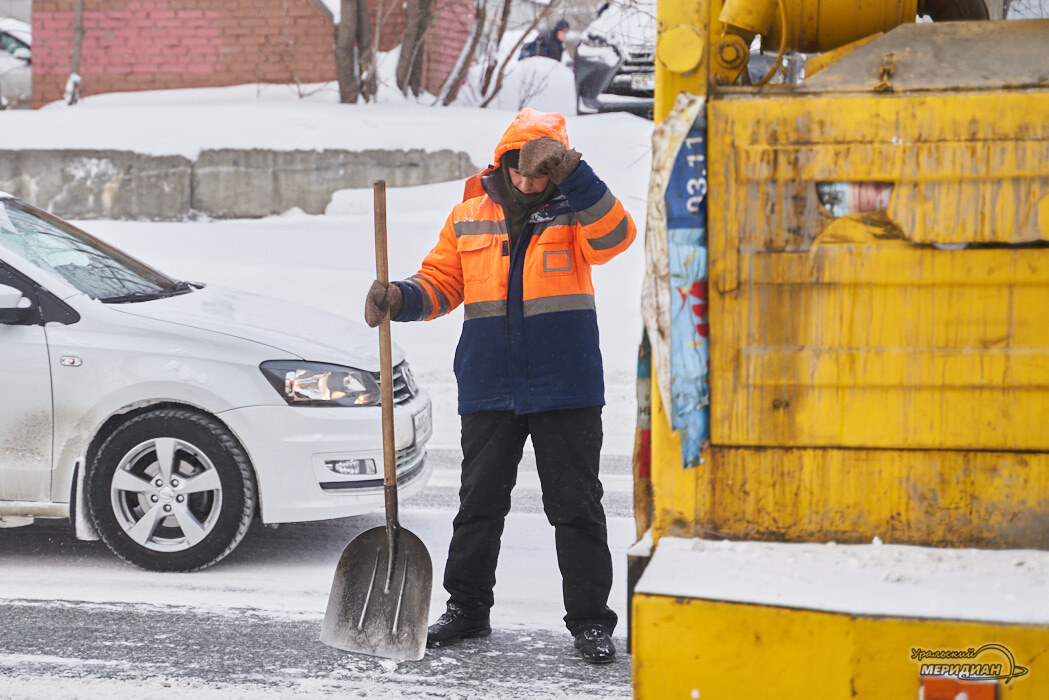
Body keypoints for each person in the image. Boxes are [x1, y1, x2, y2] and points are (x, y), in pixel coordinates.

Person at [363, 108, 636, 665]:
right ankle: (467, 610)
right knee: (479, 504)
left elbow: (617, 237)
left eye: (543, 171)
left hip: (566, 383)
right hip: (491, 380)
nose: (530, 181)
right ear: (504, 162)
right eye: (521, 169)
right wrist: (399, 299)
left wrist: (575, 174)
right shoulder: (469, 214)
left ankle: (589, 621)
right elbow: (442, 283)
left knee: (577, 507)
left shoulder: (576, 210)